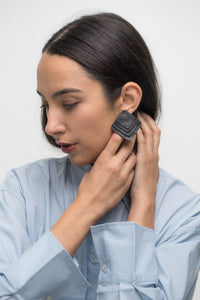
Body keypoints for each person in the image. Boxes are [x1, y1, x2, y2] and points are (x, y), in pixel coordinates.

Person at [0, 12, 200, 300]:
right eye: (45, 104)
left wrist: (143, 206)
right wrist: (86, 207)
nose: (50, 125)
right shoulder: (22, 188)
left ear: (128, 100)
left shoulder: (183, 214)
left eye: (68, 103)